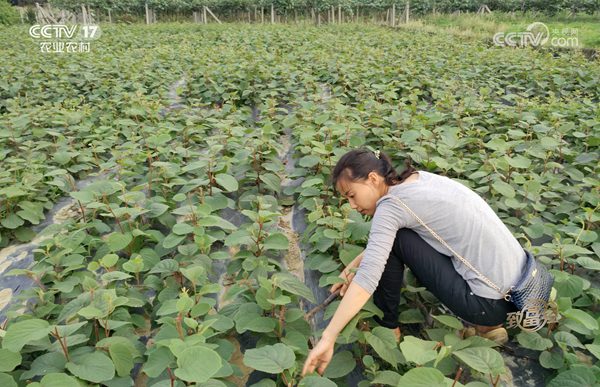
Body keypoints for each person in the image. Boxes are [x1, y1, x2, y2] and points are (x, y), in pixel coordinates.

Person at [301, 148, 525, 377]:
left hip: (488, 304)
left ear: (372, 179)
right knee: (401, 237)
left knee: (398, 239)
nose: (352, 206)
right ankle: (490, 328)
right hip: (519, 291)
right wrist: (352, 267)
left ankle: (389, 327)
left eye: (351, 195)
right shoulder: (419, 180)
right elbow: (380, 247)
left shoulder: (391, 206)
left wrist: (328, 337)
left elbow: (369, 276)